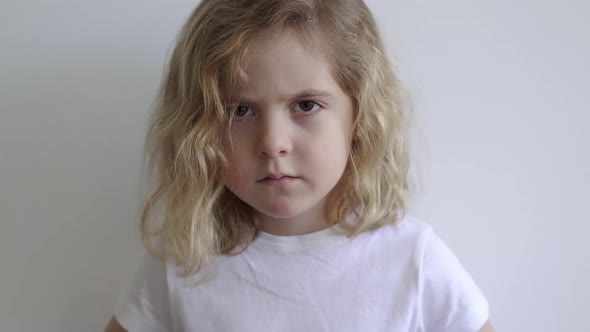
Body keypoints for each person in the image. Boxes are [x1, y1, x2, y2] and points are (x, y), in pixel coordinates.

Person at [105, 0, 495, 331]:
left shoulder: (413, 260)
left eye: (306, 106)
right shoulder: (184, 262)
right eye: (240, 111)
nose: (273, 143)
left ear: (361, 115)